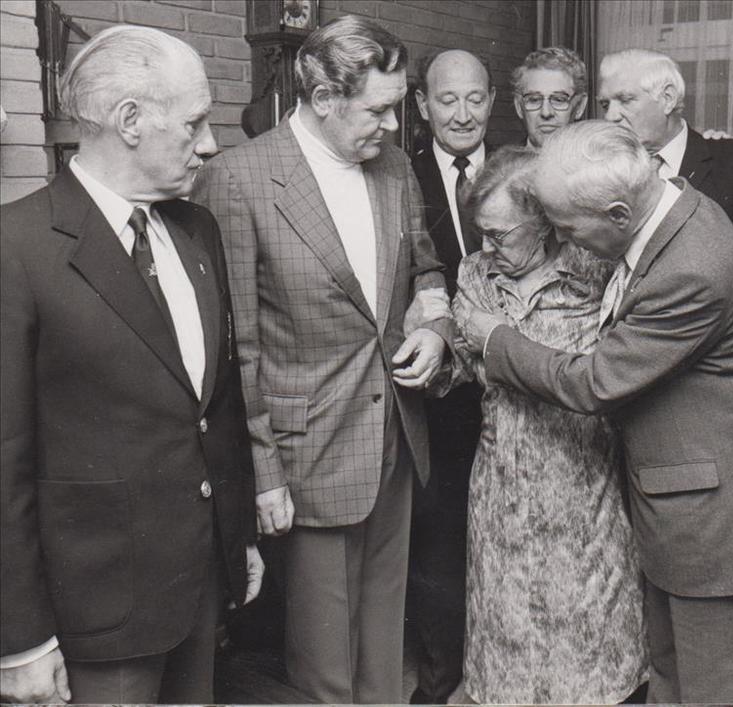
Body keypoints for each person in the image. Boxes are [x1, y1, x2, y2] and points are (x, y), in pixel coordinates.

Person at [457, 121, 733, 704]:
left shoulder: (691, 267)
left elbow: (596, 383)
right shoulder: (671, 215)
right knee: (670, 681)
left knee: (710, 693)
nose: (564, 240)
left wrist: (494, 339)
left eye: (568, 228)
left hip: (714, 525)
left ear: (618, 213)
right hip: (680, 503)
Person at [191, 15, 452, 704]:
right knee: (324, 665)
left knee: (384, 647)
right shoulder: (238, 180)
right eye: (379, 109)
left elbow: (426, 269)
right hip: (304, 455)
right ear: (325, 98)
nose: (394, 125)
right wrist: (264, 474)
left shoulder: (394, 168)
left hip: (395, 440)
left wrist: (436, 327)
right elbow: (235, 347)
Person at [0, 25, 261, 704]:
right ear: (130, 120)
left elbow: (215, 406)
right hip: (93, 616)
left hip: (197, 589)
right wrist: (19, 639)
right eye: (195, 122)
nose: (210, 143)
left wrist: (236, 540)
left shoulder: (197, 231)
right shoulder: (15, 247)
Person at [447, 146, 646, 704]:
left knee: (589, 659)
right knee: (505, 661)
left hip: (584, 492)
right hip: (501, 492)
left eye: (499, 235)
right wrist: (435, 344)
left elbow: (606, 381)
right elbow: (463, 362)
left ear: (545, 223)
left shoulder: (597, 271)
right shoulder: (476, 274)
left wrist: (499, 348)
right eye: (481, 233)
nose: (486, 248)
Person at [406, 49, 494, 704]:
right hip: (440, 402)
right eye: (446, 99)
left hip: (521, 395)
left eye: (475, 98)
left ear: (491, 101)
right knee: (441, 543)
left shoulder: (525, 172)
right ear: (422, 105)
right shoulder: (399, 180)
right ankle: (440, 685)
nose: (462, 114)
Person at [598, 48, 733, 314]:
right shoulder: (603, 170)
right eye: (605, 105)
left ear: (668, 98)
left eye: (625, 100)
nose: (610, 116)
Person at [512, 46, 588, 150]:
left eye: (558, 100)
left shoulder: (597, 160)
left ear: (580, 106)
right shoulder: (502, 160)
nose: (546, 113)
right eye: (534, 100)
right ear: (519, 107)